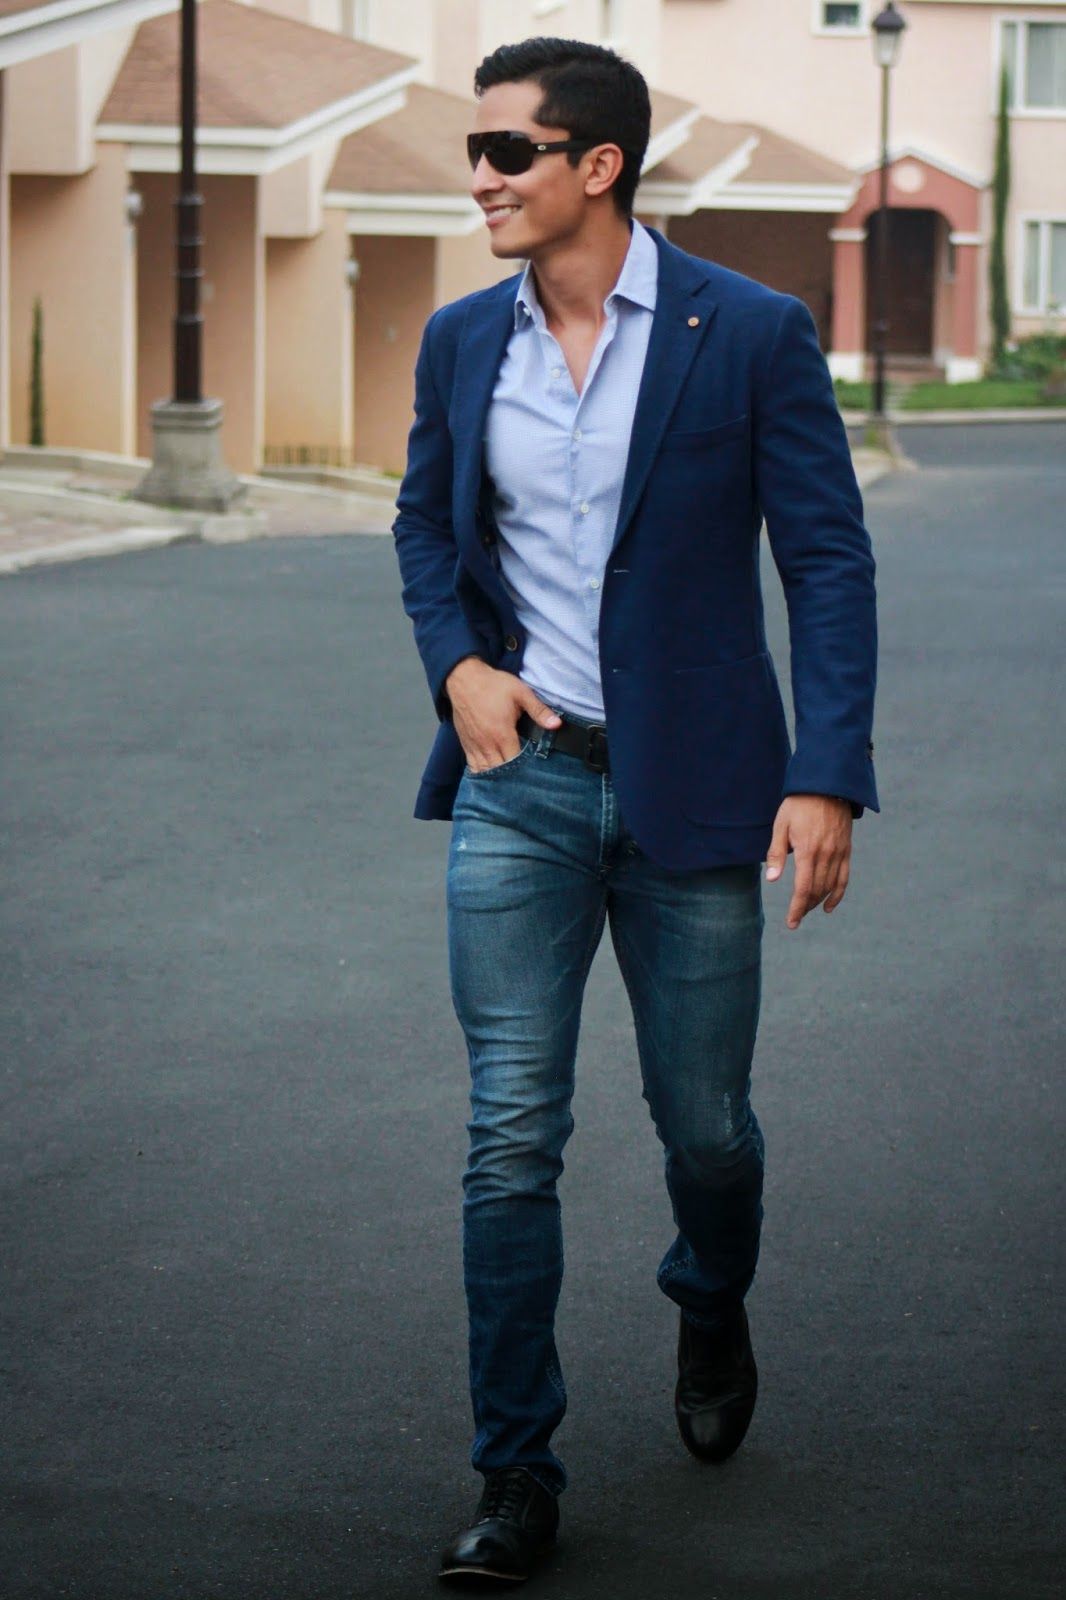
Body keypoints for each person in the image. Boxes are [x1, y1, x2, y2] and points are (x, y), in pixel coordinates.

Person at [392, 36, 878, 1587]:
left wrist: (824, 772)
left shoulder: (750, 331)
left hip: (700, 791)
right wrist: (459, 666)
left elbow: (825, 559)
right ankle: (512, 1472)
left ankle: (708, 1294)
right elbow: (422, 528)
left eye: (506, 151)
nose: (479, 177)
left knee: (706, 1128)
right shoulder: (462, 340)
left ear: (595, 166)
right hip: (520, 783)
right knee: (507, 1133)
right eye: (474, 151)